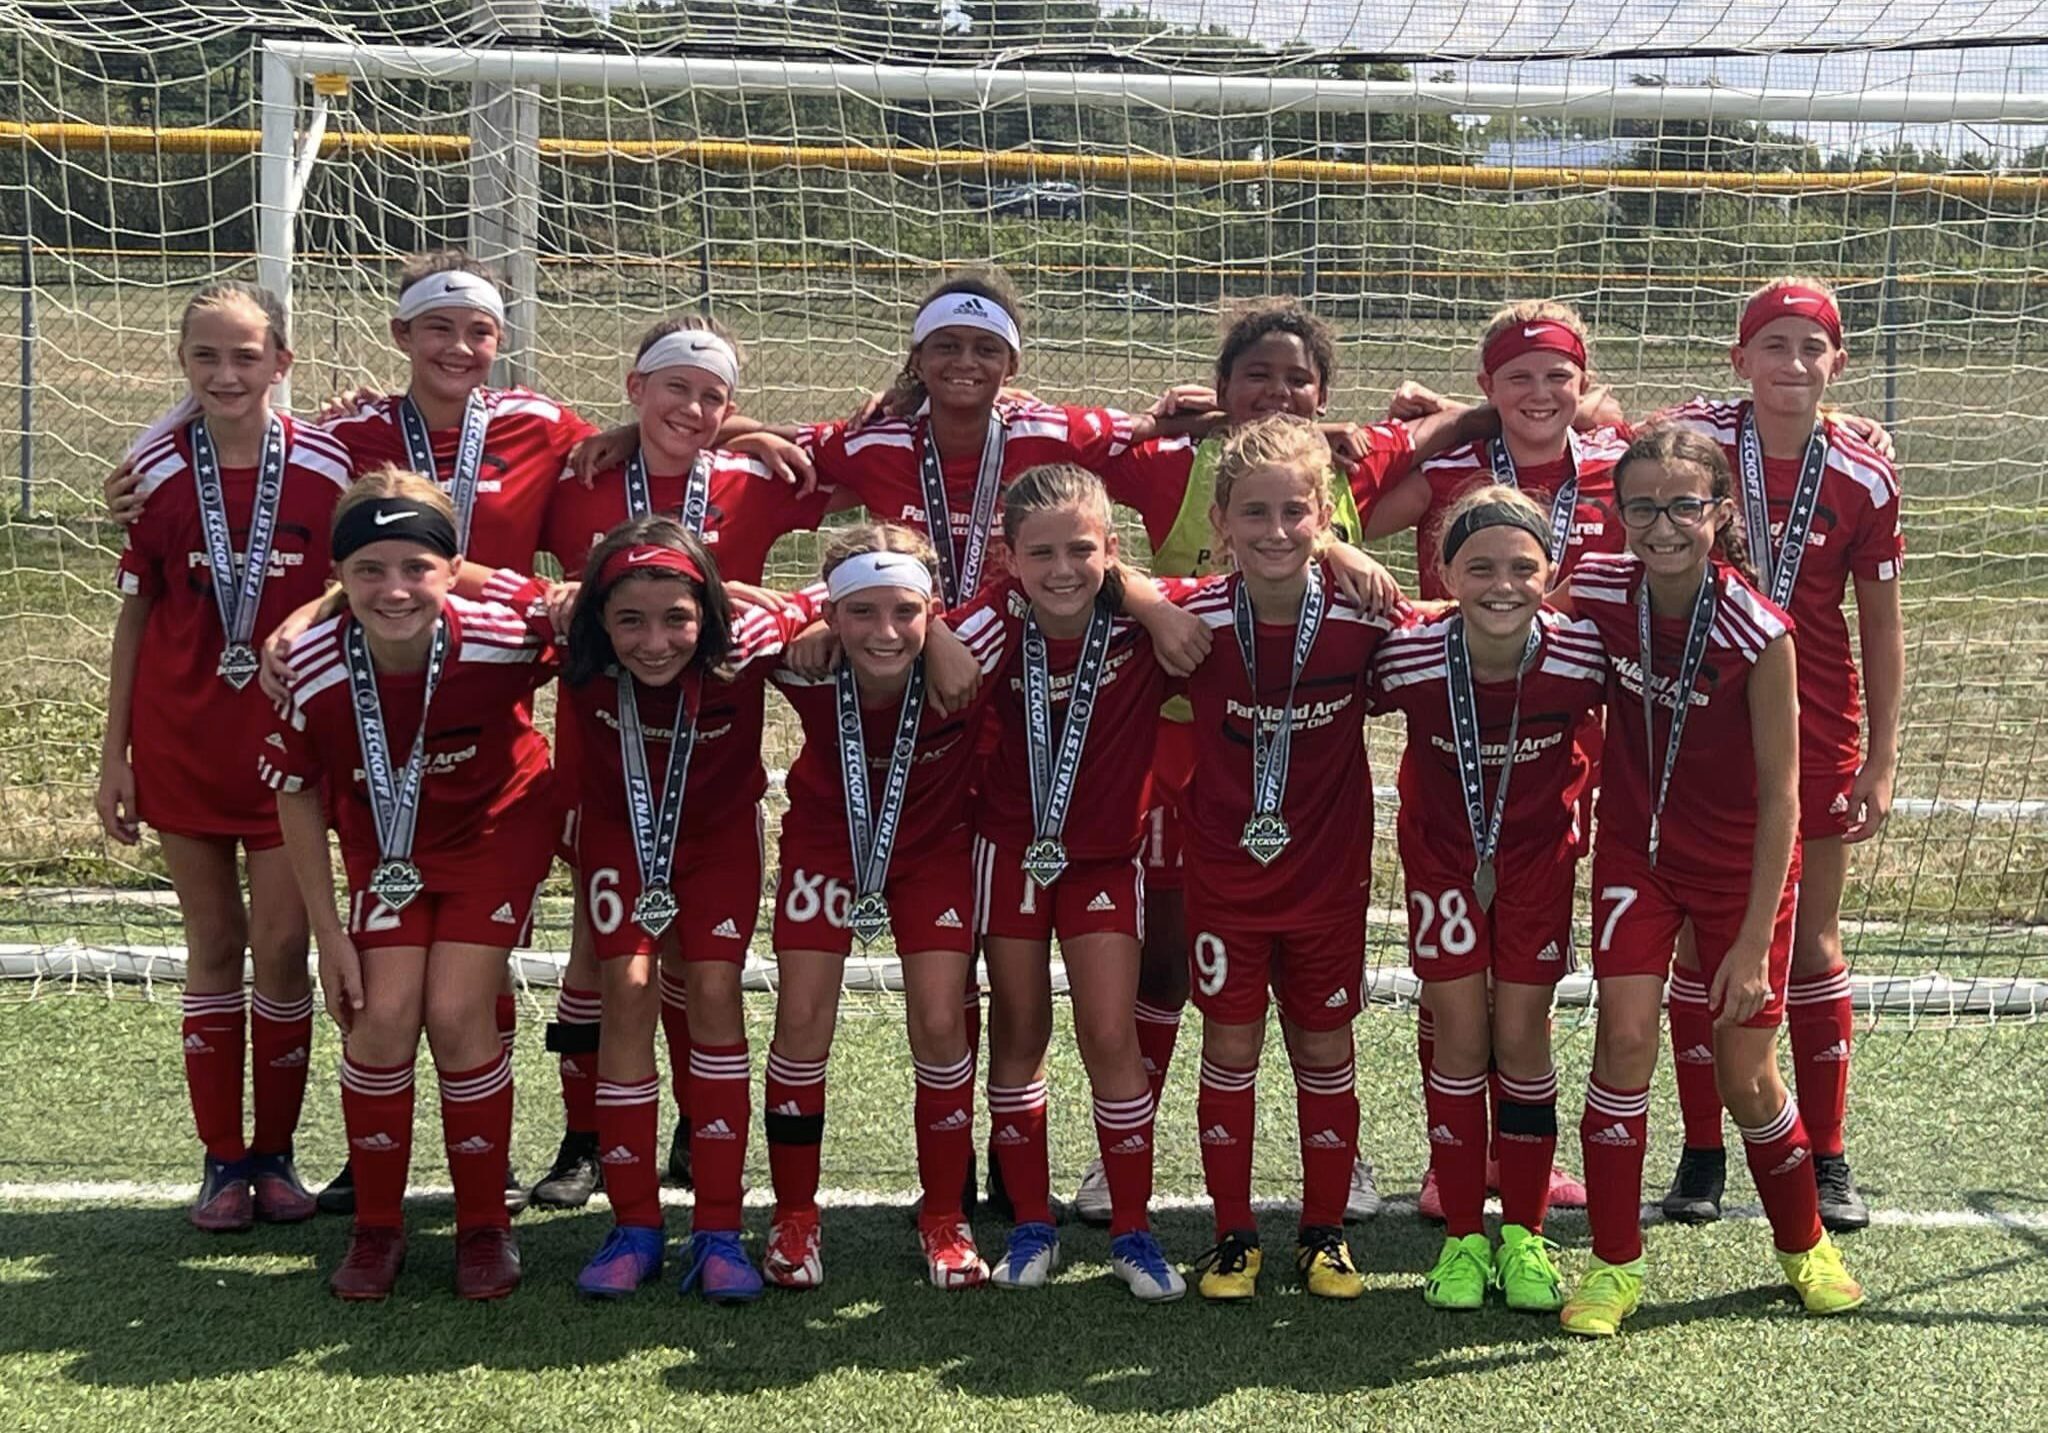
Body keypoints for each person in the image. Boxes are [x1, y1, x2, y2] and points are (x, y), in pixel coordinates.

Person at [1073, 297, 1488, 1225]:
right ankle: (1125, 1148)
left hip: (1306, 754)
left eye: (1298, 377)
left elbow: (1495, 413)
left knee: (1308, 966)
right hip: (1187, 742)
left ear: (1324, 393)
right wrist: (1150, 593)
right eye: (1255, 374)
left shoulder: (1347, 459)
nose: (1278, 390)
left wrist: (1425, 408)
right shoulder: (1172, 462)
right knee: (1173, 958)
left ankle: (1335, 1164)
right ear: (1221, 388)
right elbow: (1075, 525)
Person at [529, 316, 840, 1210]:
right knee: (601, 960)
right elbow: (481, 543)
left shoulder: (752, 475)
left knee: (697, 967)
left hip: (709, 760)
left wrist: (739, 432)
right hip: (605, 758)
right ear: (633, 387)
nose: (692, 408)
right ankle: (585, 1139)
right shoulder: (576, 474)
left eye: (713, 396)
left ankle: (690, 1136)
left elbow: (869, 470)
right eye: (675, 388)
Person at [1558, 425, 1863, 1336]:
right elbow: (1493, 612)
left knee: (1747, 1074)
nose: (1661, 525)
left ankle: (1803, 1240)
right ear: (1617, 514)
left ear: (1717, 511)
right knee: (1622, 1042)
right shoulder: (1604, 590)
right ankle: (1614, 1265)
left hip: (1741, 869)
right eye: (1641, 506)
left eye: (1682, 505)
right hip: (1634, 858)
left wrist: (1755, 944)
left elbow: (1785, 802)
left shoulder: (1760, 630)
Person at [262, 469, 559, 1301]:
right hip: (385, 848)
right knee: (381, 1014)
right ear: (339, 577)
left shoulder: (504, 630)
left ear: (451, 568)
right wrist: (329, 935)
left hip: (496, 831)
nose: (394, 589)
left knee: (457, 1010)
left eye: (417, 568)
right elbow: (297, 791)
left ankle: (482, 1226)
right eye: (369, 570)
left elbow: (598, 611)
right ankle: (377, 1228)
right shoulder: (308, 662)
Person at [1651, 279, 1904, 1232]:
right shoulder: (1699, 438)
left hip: (1818, 717)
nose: (1792, 365)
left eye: (1813, 348)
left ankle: (1827, 1155)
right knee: (1690, 943)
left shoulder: (1864, 473)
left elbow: (1880, 623)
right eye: (1774, 346)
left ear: (1836, 364)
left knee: (1809, 942)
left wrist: (1881, 756)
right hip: (1699, 713)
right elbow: (1591, 415)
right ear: (1740, 359)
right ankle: (1702, 1150)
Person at [97, 281, 349, 1231]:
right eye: (206, 355)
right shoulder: (152, 472)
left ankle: (276, 1157)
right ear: (183, 365)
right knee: (214, 947)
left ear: (282, 363)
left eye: (247, 355)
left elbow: (363, 582)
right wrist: (112, 753)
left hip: (286, 752)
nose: (227, 372)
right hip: (180, 739)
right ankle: (220, 1163)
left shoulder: (328, 466)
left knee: (283, 949)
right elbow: (135, 614)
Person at [1160, 414, 1394, 1302]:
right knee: (1229, 1047)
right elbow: (1100, 584)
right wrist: (1146, 600)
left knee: (1326, 1051)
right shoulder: (1188, 621)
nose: (1275, 532)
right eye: (1252, 513)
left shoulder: (1365, 617)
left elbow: (1459, 636)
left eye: (1296, 512)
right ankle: (1232, 1234)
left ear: (1324, 514)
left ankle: (1325, 1233)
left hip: (1329, 880)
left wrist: (1346, 562)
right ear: (1219, 521)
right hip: (1224, 878)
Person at [549, 517, 812, 1302]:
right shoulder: (568, 637)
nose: (655, 641)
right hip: (618, 838)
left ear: (711, 613)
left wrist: (783, 607)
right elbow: (456, 584)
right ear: (598, 616)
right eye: (630, 619)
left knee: (713, 990)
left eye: (678, 618)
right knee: (625, 992)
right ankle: (634, 1225)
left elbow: (838, 590)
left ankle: (721, 1228)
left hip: (720, 842)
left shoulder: (749, 634)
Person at [1368, 484, 1606, 1311]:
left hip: (1539, 864)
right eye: (1479, 567)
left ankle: (1528, 1237)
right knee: (1461, 1037)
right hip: (1442, 863)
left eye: (1521, 566)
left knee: (1523, 1037)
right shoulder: (1407, 656)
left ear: (1551, 571)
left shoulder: (1582, 655)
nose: (1501, 584)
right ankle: (1466, 1237)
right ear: (1445, 573)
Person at [949, 463, 1183, 1300]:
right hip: (1008, 852)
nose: (1060, 569)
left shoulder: (1138, 624)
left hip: (1106, 860)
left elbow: (1250, 585)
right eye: (1039, 552)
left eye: (1080, 550)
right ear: (1008, 557)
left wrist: (1150, 601)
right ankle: (1031, 1223)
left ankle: (1132, 1229)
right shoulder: (989, 623)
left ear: (1112, 552)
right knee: (1019, 1030)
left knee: (1110, 1034)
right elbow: (927, 651)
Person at [762, 524, 1005, 1289]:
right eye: (861, 612)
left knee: (939, 1019)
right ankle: (795, 1218)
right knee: (801, 1019)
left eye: (905, 612)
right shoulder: (804, 660)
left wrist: (941, 630)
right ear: (833, 615)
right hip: (827, 845)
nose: (885, 631)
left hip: (931, 851)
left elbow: (1031, 589)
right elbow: (736, 609)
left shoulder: (968, 654)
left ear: (932, 608)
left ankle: (945, 1216)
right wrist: (806, 613)